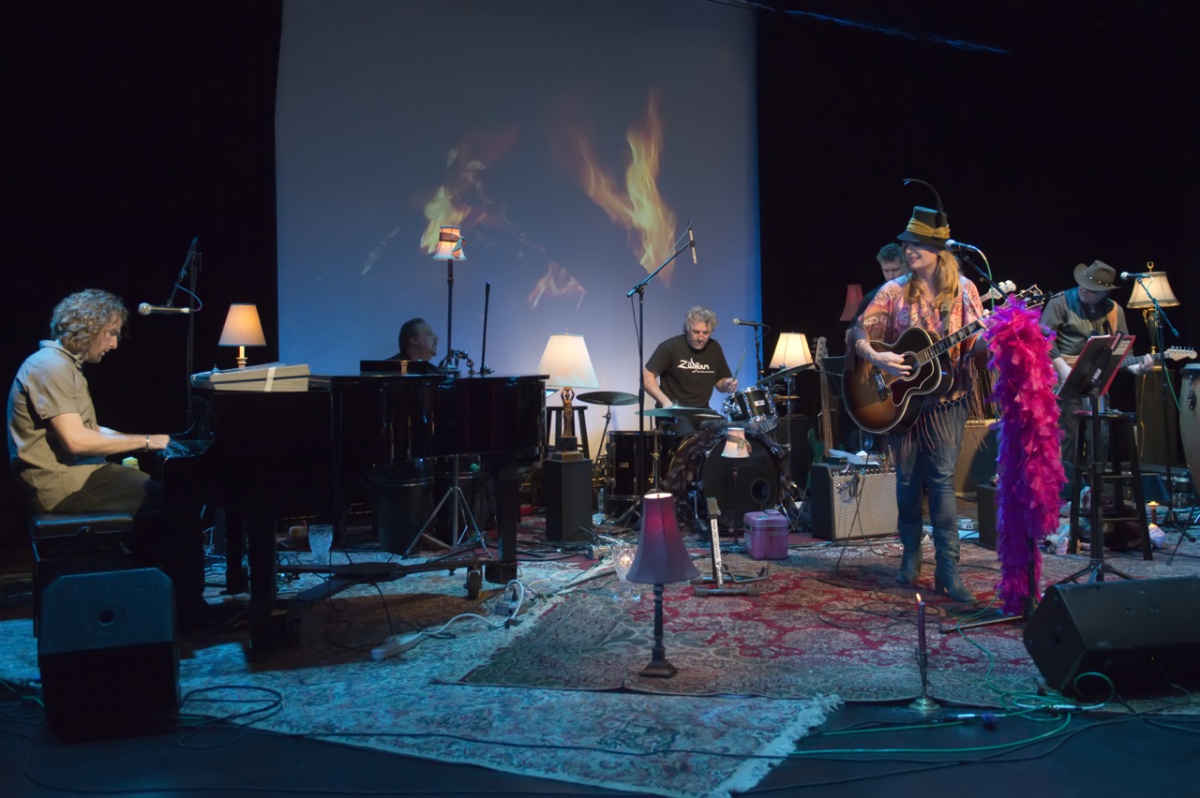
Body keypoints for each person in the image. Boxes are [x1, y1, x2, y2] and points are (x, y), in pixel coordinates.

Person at [7, 289, 208, 625]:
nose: (114, 343)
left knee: (161, 498)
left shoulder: (60, 365)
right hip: (66, 487)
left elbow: (90, 427)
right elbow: (75, 441)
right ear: (88, 327)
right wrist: (146, 442)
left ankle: (150, 598)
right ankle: (186, 611)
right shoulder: (51, 368)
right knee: (179, 502)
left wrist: (158, 440)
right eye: (111, 333)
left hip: (77, 477)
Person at [850, 201, 987, 602]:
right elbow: (861, 330)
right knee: (908, 480)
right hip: (900, 401)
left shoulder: (965, 290)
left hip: (949, 397)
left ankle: (948, 568)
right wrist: (876, 356)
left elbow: (975, 343)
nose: (909, 250)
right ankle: (910, 557)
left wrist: (994, 340)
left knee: (942, 480)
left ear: (939, 250)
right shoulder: (893, 291)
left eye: (918, 245)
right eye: (907, 243)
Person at [1039, 260, 1150, 484]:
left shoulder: (1114, 310)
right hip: (1063, 381)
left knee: (1100, 437)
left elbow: (1122, 349)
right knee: (1068, 437)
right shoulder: (1060, 302)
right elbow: (1044, 337)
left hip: (1096, 382)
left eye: (1091, 289)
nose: (1083, 290)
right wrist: (1062, 368)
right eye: (1082, 284)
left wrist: (1137, 367)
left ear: (1105, 292)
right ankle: (1068, 494)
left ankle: (1093, 491)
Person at [643, 306, 738, 435]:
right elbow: (647, 376)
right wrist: (665, 402)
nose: (701, 337)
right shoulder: (670, 347)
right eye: (696, 332)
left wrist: (727, 383)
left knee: (730, 434)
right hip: (674, 412)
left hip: (702, 412)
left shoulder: (714, 348)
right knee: (690, 441)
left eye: (706, 333)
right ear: (687, 329)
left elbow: (719, 383)